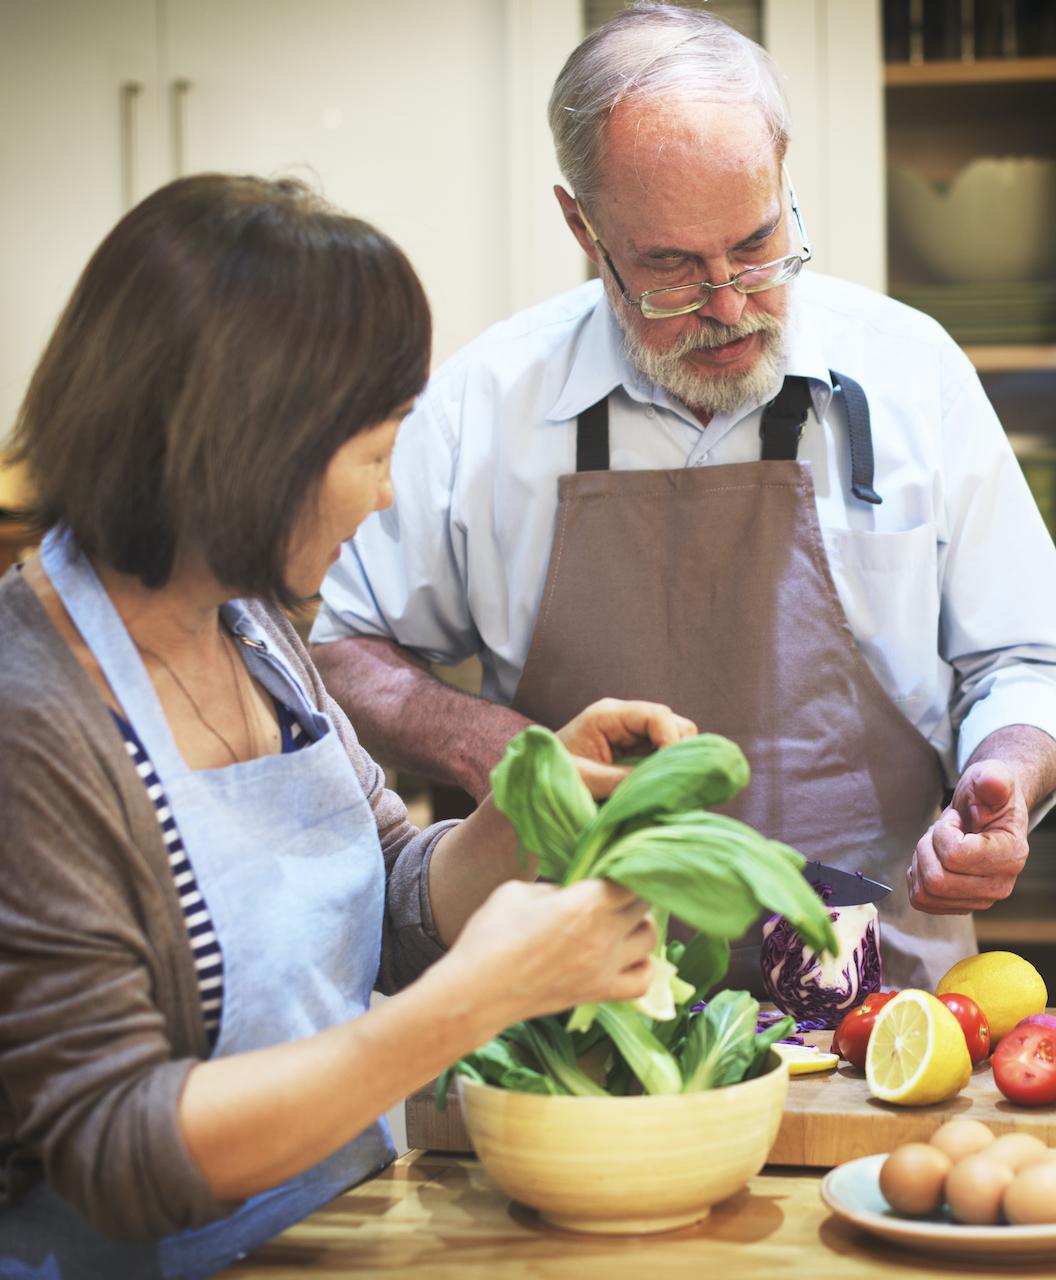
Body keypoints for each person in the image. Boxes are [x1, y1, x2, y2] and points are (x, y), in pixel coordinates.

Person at [311, 2, 1056, 993]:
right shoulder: (486, 403)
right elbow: (342, 646)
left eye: (756, 243)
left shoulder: (911, 374)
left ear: (781, 170)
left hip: (880, 1014)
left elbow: (1031, 656)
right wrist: (493, 750)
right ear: (581, 225)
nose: (730, 305)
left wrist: (1005, 773)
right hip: (582, 1004)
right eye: (671, 268)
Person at [0, 172, 697, 1279]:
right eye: (374, 450)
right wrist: (480, 999)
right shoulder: (31, 719)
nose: (384, 495)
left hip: (334, 1235)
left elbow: (387, 903)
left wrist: (529, 802)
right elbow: (119, 1147)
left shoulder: (250, 629)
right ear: (246, 447)